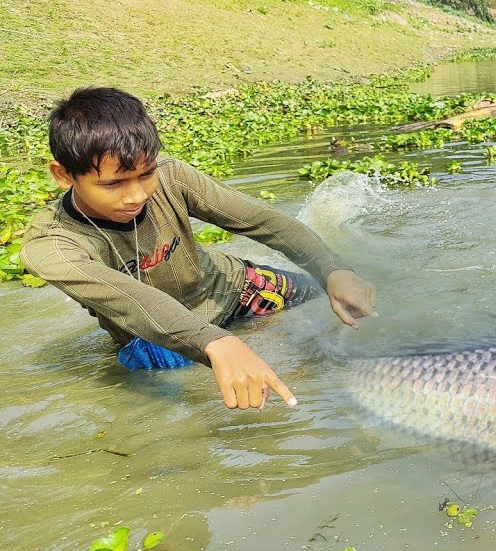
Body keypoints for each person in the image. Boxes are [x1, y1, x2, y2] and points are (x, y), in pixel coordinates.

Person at [20, 87, 378, 410]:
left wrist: (332, 269)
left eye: (146, 174)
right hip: (164, 340)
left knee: (334, 299)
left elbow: (262, 221)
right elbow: (132, 301)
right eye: (113, 184)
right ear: (63, 174)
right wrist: (218, 343)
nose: (137, 195)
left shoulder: (173, 177)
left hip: (238, 290)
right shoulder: (51, 246)